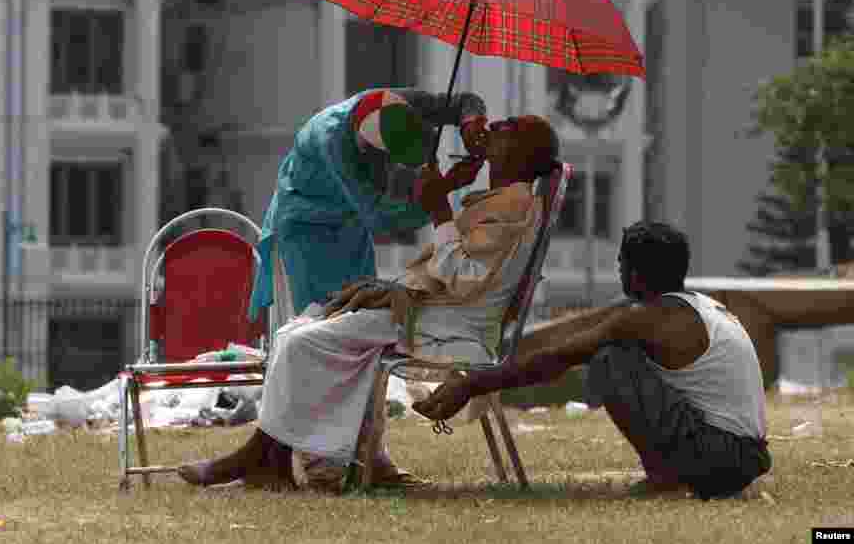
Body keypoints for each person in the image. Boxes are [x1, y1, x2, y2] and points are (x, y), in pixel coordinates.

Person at [178, 115, 561, 490]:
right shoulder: (504, 200)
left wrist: (439, 208)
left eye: (508, 128)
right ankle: (273, 462)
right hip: (435, 313)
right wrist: (393, 287)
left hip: (447, 326)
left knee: (301, 341)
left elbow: (462, 275)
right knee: (296, 329)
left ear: (525, 156)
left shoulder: (513, 205)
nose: (492, 126)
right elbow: (461, 272)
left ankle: (260, 457)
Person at [413, 221, 773, 500]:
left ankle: (665, 478)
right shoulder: (695, 306)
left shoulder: (647, 319)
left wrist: (473, 383)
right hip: (745, 458)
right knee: (614, 353)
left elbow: (557, 359)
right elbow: (568, 341)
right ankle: (674, 474)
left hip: (721, 458)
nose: (618, 271)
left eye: (621, 263)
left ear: (634, 272)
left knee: (610, 360)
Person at [248, 87, 490, 334]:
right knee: (319, 326)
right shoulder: (334, 143)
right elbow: (381, 220)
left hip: (350, 221)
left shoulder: (398, 102)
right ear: (370, 152)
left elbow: (464, 102)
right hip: (305, 225)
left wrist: (471, 123)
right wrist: (445, 188)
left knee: (362, 314)